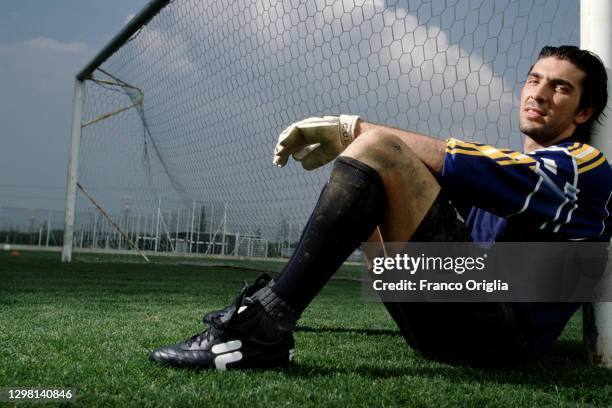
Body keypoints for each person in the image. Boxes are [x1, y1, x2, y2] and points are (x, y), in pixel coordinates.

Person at [149, 45, 611, 370]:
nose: (539, 93)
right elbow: (453, 179)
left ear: (583, 113)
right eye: (534, 80)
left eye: (560, 88)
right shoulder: (514, 167)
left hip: (503, 339)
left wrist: (354, 130)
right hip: (447, 327)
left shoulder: (585, 168)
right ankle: (267, 321)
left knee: (380, 149)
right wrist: (363, 162)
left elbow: (475, 166)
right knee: (377, 166)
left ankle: (264, 325)